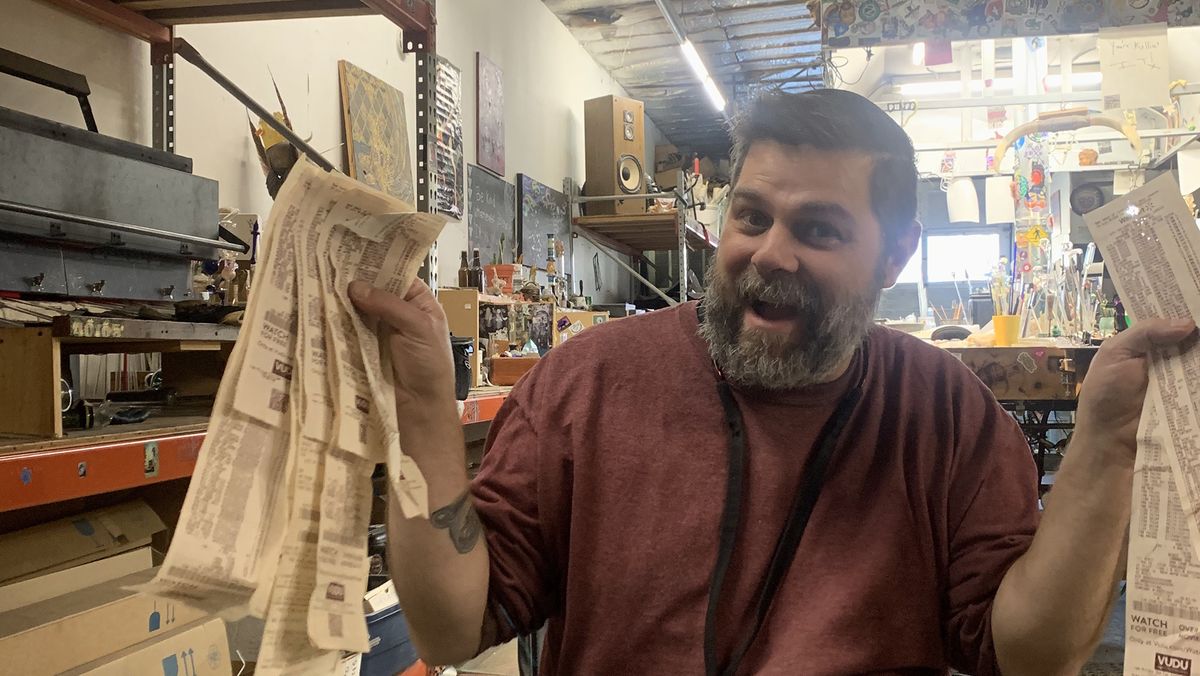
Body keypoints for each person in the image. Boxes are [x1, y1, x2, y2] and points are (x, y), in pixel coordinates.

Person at [349, 89, 1196, 675]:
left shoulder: (948, 416)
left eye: (819, 229)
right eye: (751, 217)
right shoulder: (589, 384)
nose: (770, 253)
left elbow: (1028, 656)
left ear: (895, 256)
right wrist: (423, 403)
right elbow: (453, 623)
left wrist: (1107, 443)